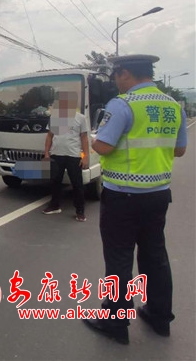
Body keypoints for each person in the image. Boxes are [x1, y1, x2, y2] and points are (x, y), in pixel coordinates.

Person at [83, 54, 188, 345]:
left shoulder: (122, 104)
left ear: (125, 73)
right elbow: (179, 151)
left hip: (122, 196)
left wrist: (94, 138)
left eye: (116, 76)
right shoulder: (173, 106)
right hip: (158, 195)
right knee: (155, 255)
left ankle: (115, 323)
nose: (116, 82)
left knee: (119, 258)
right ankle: (160, 317)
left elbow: (103, 147)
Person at [42, 91, 89, 221]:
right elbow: (49, 136)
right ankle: (54, 206)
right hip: (56, 154)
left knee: (77, 184)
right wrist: (46, 153)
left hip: (74, 155)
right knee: (55, 182)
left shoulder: (81, 118)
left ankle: (80, 211)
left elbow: (84, 138)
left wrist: (85, 156)